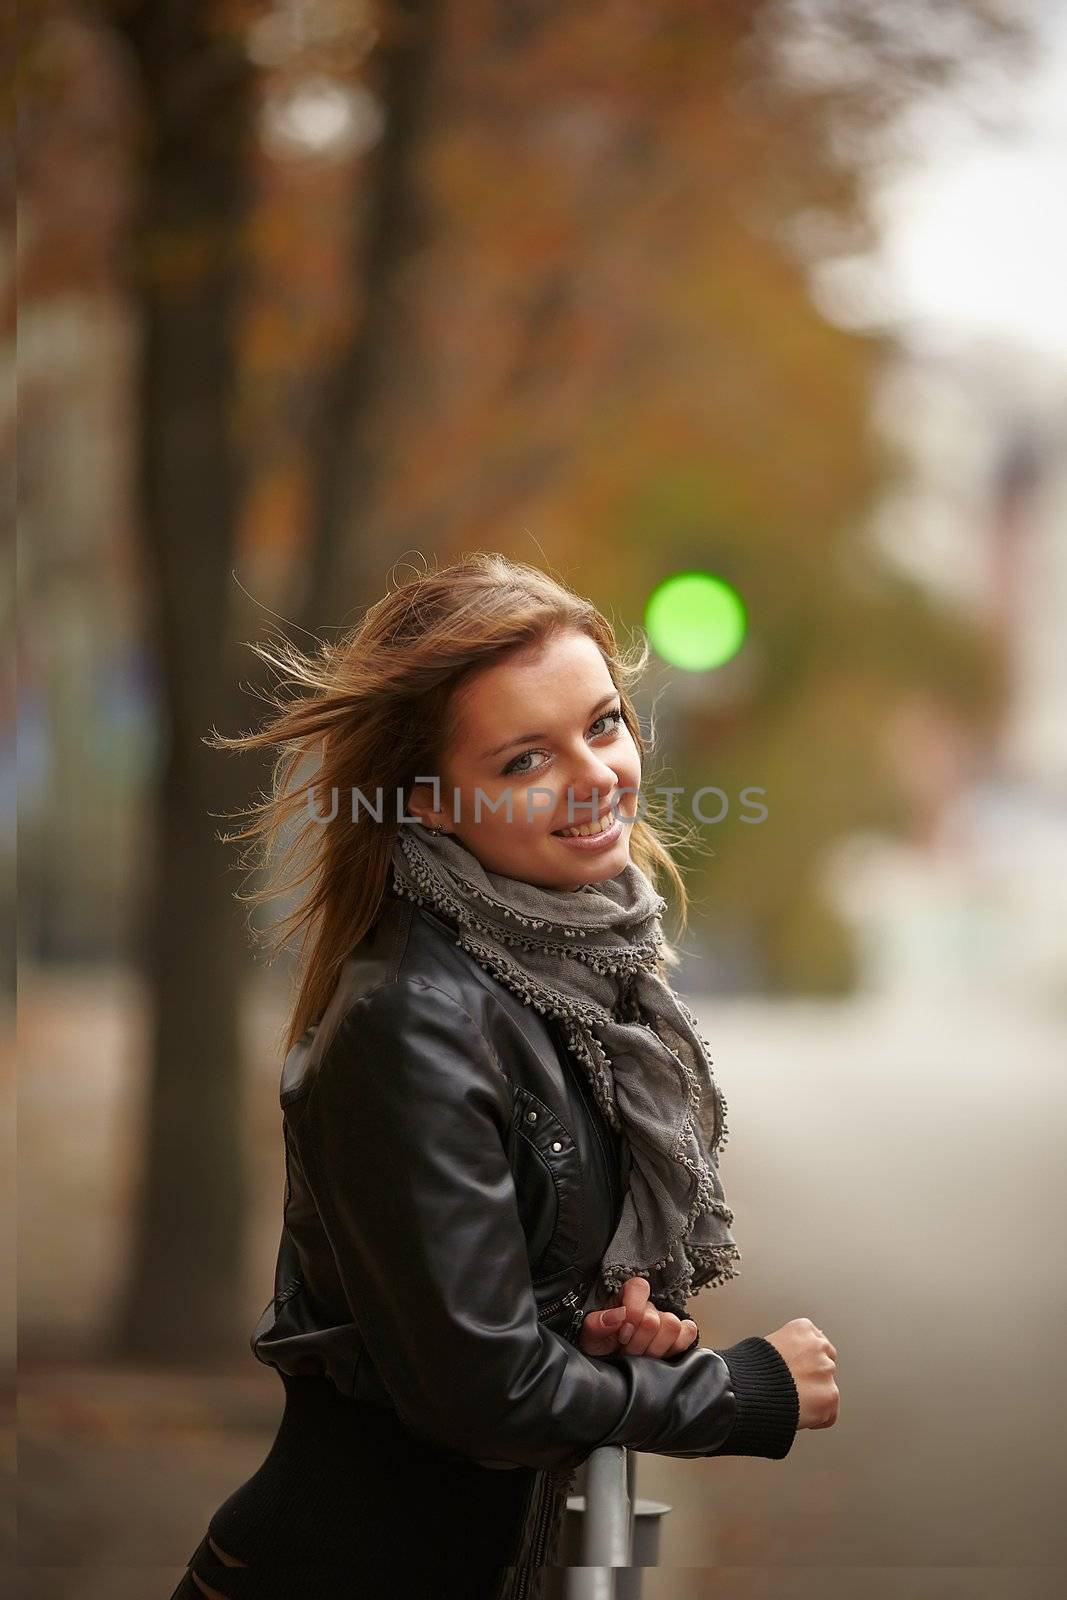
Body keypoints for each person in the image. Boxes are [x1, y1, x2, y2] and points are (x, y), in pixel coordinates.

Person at [169, 553, 838, 1600]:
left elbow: (476, 1312)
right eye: (525, 760)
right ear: (427, 803)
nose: (594, 775)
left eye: (603, 723)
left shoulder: (573, 981)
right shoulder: (414, 1020)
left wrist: (594, 1325)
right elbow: (483, 1394)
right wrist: (738, 1392)